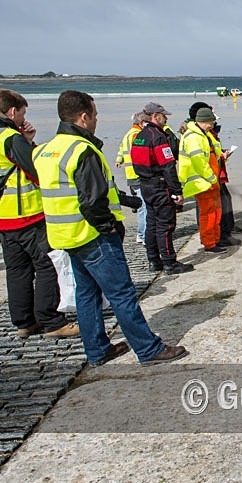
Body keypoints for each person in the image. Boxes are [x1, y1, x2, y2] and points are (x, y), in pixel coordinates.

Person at [34, 90, 187, 366]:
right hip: (92, 235)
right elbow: (92, 200)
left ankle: (97, 349)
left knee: (87, 294)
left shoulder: (45, 150)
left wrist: (128, 202)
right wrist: (110, 228)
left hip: (64, 235)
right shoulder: (82, 150)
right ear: (83, 117)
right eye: (94, 115)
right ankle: (148, 349)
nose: (96, 120)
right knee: (121, 293)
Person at [0, 89, 77, 338]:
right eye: (22, 113)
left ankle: (24, 321)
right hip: (27, 212)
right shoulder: (10, 137)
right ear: (12, 111)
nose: (23, 118)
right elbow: (36, 170)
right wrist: (29, 142)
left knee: (17, 270)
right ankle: (51, 321)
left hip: (4, 216)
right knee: (47, 266)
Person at [130, 102, 194, 274]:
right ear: (155, 116)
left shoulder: (140, 136)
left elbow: (136, 161)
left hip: (145, 184)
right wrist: (176, 191)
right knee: (165, 225)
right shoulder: (158, 137)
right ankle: (169, 262)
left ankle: (153, 260)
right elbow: (167, 165)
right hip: (159, 185)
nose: (166, 119)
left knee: (151, 223)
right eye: (163, 116)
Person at [177, 107, 226, 254]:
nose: (212, 125)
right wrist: (211, 179)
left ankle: (215, 239)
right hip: (203, 182)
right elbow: (199, 161)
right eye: (211, 122)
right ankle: (209, 243)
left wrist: (222, 156)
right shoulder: (193, 137)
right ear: (203, 122)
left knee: (215, 211)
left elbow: (212, 152)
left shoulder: (203, 134)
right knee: (208, 214)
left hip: (210, 181)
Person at [115, 111, 147, 244]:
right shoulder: (136, 134)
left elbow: (122, 149)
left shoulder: (127, 134)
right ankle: (143, 234)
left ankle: (142, 234)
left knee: (140, 204)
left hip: (130, 173)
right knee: (144, 206)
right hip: (137, 173)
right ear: (140, 123)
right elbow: (139, 153)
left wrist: (119, 160)